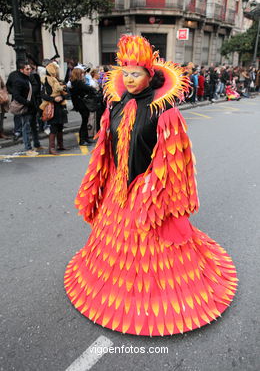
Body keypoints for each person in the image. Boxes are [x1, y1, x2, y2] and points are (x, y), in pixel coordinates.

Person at [64, 35, 237, 336]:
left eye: (136, 73)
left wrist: (154, 190)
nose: (129, 79)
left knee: (151, 243)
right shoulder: (114, 107)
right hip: (118, 192)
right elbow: (107, 151)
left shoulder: (165, 112)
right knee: (116, 246)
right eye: (125, 72)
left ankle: (154, 300)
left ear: (150, 75)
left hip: (149, 192)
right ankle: (113, 294)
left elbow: (175, 162)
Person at [40, 62, 68, 155]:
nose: (57, 71)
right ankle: (51, 148)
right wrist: (53, 98)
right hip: (52, 106)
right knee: (53, 127)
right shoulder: (45, 81)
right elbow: (43, 95)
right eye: (55, 69)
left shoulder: (60, 81)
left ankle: (60, 145)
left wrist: (62, 97)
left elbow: (67, 93)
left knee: (60, 127)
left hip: (61, 106)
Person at [12, 61, 39, 156]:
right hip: (25, 108)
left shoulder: (28, 78)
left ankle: (37, 144)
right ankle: (28, 148)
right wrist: (27, 102)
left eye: (30, 69)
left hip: (32, 107)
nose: (29, 70)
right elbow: (16, 95)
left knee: (34, 127)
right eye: (27, 69)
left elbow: (35, 88)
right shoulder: (18, 80)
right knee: (26, 128)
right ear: (21, 70)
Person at [70, 67, 97, 146]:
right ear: (78, 74)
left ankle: (85, 138)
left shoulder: (74, 82)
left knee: (85, 121)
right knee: (84, 121)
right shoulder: (78, 82)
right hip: (82, 104)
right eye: (82, 73)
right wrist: (93, 89)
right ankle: (82, 139)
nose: (83, 75)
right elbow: (88, 88)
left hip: (79, 104)